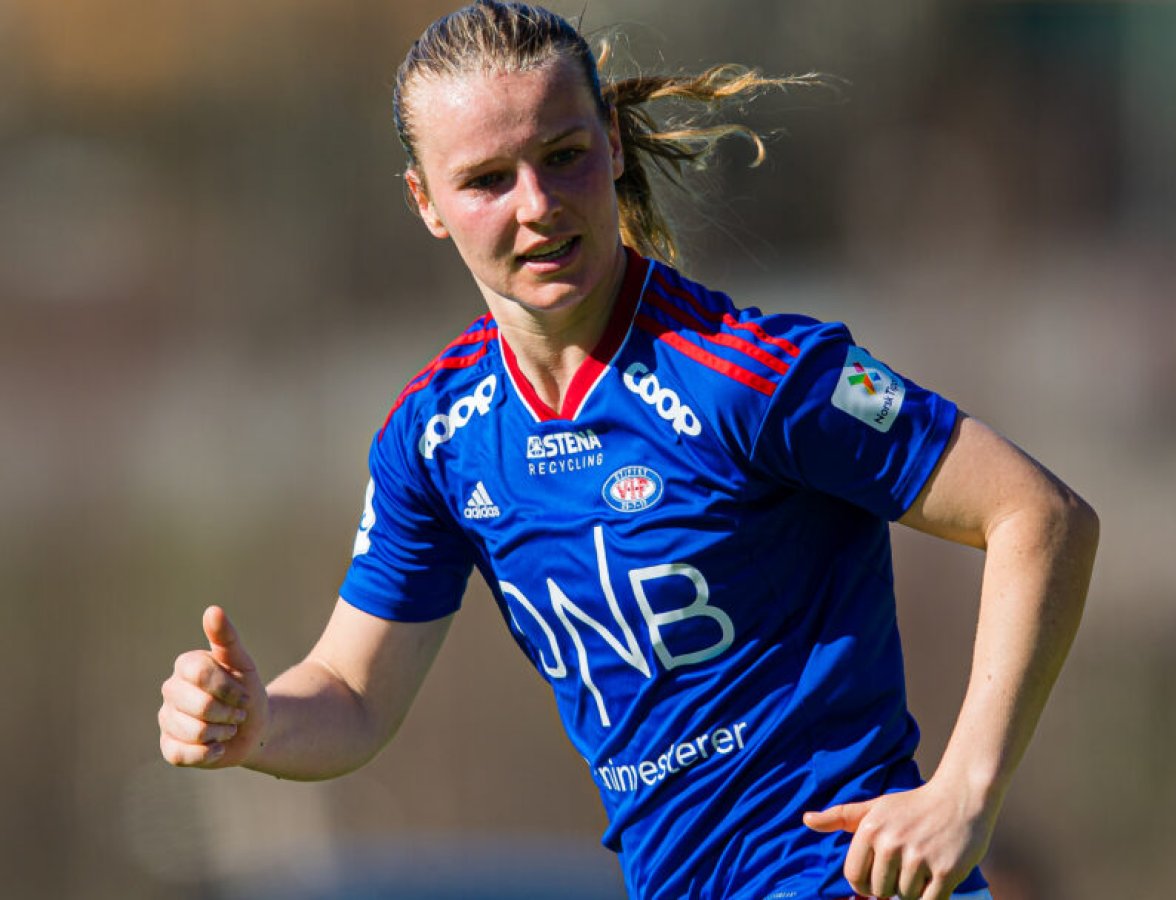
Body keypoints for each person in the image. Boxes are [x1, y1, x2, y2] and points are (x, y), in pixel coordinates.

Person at [155, 3, 1098, 898]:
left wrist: (967, 793)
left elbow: (1040, 516)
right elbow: (355, 695)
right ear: (425, 201)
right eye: (486, 180)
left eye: (562, 157)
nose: (537, 206)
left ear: (609, 141)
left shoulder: (758, 375)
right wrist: (261, 723)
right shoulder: (436, 437)